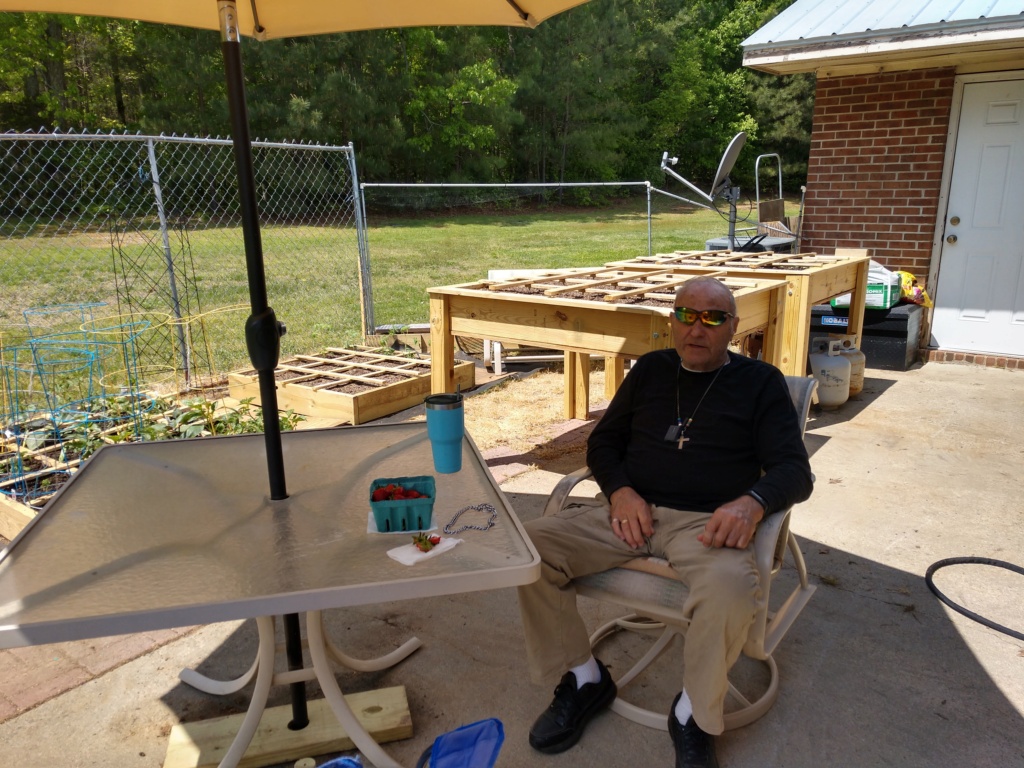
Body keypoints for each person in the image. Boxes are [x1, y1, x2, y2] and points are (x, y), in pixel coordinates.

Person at [517, 275, 813, 767]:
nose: (697, 328)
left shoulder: (760, 383)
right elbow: (603, 444)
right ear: (673, 322)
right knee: (529, 548)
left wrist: (751, 503)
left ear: (733, 328)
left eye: (713, 318)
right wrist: (620, 492)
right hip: (628, 514)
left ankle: (692, 714)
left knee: (730, 590)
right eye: (686, 315)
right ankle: (585, 679)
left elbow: (794, 469)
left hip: (706, 525)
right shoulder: (652, 371)